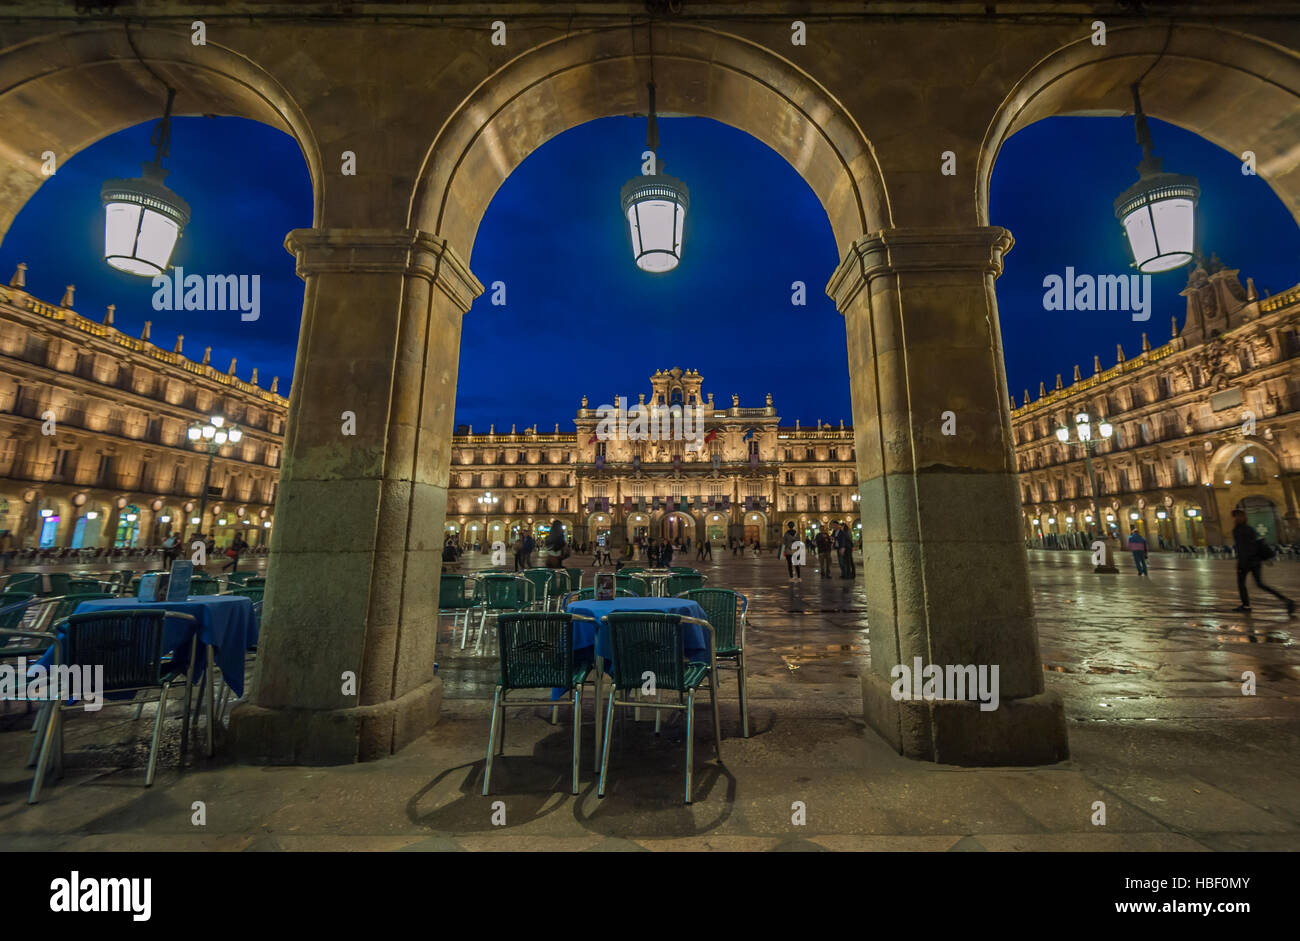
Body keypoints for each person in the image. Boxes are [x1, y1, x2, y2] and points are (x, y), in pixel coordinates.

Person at [1232, 508, 1295, 614]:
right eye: (1235, 516)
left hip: (1247, 562)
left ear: (1243, 517)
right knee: (1257, 584)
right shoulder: (1247, 529)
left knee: (1245, 584)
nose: (1236, 518)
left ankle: (1246, 606)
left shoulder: (1240, 530)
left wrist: (1242, 561)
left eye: (1238, 516)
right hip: (1254, 561)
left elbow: (1245, 548)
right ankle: (1287, 601)